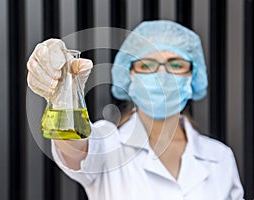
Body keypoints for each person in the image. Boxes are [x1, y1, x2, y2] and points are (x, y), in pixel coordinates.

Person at [27, 20, 244, 199]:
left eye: (176, 64)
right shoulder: (108, 144)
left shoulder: (219, 158)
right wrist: (65, 96)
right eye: (147, 65)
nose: (161, 75)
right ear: (130, 75)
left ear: (192, 76)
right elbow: (74, 146)